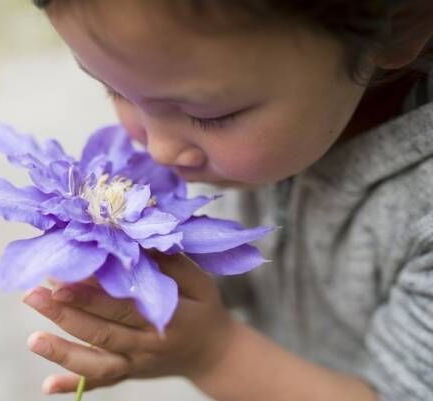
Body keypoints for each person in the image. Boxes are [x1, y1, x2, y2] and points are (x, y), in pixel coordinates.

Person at [22, 1, 433, 400]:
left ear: (402, 23)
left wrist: (213, 354)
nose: (158, 150)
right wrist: (142, 288)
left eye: (209, 115)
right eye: (113, 89)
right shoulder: (226, 136)